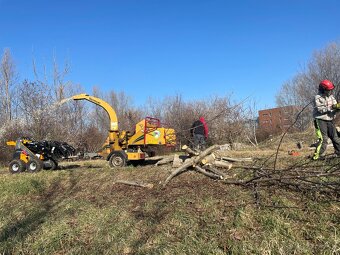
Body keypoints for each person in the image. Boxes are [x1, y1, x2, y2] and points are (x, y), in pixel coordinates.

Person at [312, 79, 340, 160]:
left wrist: (338, 108)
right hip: (320, 120)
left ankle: (338, 153)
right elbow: (320, 110)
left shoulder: (331, 97)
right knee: (323, 139)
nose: (330, 92)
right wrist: (332, 107)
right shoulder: (317, 98)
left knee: (335, 137)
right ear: (323, 89)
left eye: (331, 90)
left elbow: (335, 107)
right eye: (328, 90)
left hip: (330, 119)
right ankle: (318, 157)